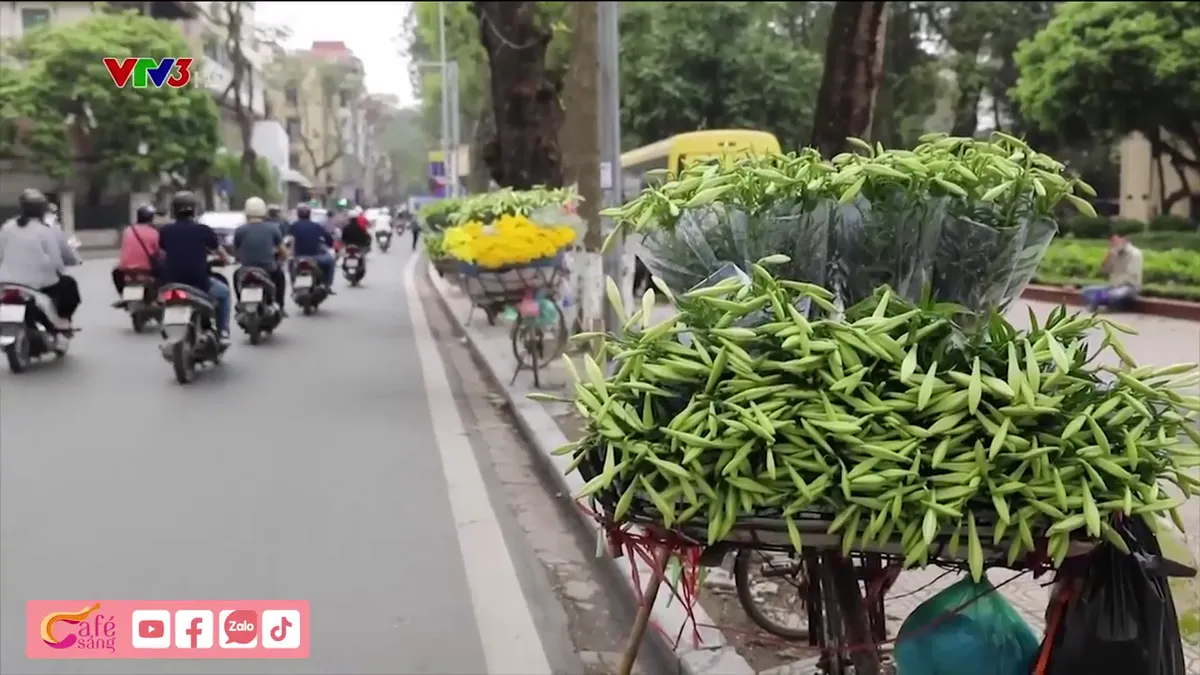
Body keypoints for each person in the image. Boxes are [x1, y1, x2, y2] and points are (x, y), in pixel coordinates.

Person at [158, 190, 232, 344]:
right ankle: (223, 331)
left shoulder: (165, 231)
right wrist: (226, 260)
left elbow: (163, 252)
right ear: (194, 209)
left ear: (173, 210)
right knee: (224, 293)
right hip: (199, 283)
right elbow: (221, 253)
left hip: (172, 282)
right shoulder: (203, 230)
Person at [0, 188, 82, 327]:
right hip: (37, 285)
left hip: (6, 283)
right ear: (43, 209)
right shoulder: (46, 230)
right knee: (69, 285)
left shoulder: (7, 227)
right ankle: (62, 323)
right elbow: (57, 262)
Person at [233, 197, 289, 314]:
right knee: (280, 277)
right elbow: (284, 252)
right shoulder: (273, 228)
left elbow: (236, 252)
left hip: (246, 269)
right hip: (268, 269)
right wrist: (280, 259)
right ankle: (279, 305)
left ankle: (240, 302)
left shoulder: (240, 230)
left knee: (235, 276)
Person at [1080, 234, 1144, 312]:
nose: (1114, 244)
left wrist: (1113, 288)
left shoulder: (1135, 254)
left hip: (1129, 287)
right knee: (1086, 291)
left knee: (1115, 294)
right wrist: (1106, 258)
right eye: (1112, 242)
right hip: (1113, 286)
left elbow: (1131, 275)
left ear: (1124, 240)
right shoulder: (1114, 252)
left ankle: (1101, 302)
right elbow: (1104, 271)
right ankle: (1102, 302)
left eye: (1116, 241)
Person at [112, 205, 161, 296]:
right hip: (146, 270)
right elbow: (159, 252)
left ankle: (122, 294)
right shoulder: (154, 233)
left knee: (115, 272)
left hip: (126, 270)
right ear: (151, 218)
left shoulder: (128, 230)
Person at [288, 204, 337, 291]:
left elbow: (286, 239)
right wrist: (329, 245)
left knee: (290, 265)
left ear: (298, 214)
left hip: (298, 257)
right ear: (309, 214)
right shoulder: (316, 226)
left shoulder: (292, 226)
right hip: (315, 257)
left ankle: (293, 284)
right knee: (330, 261)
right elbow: (328, 239)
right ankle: (327, 285)